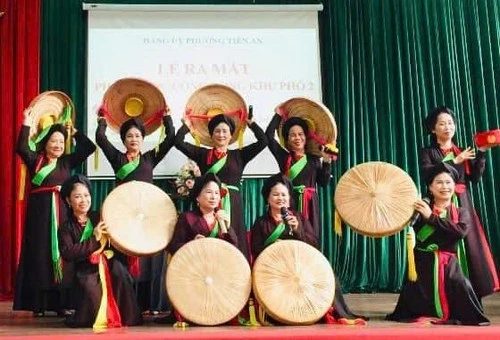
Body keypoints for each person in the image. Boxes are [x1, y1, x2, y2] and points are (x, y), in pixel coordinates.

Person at [251, 174, 366, 324]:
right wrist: (274, 247)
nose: (280, 198)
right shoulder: (261, 222)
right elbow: (256, 248)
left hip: (300, 265)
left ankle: (331, 311)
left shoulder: (298, 218)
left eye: (284, 195)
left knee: (329, 276)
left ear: (289, 197)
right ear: (268, 198)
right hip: (275, 268)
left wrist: (298, 230)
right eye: (275, 194)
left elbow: (314, 243)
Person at [14, 108, 96, 316]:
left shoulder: (66, 162)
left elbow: (88, 148)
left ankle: (62, 304)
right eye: (54, 141)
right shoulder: (36, 161)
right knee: (40, 255)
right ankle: (38, 305)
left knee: (61, 255)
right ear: (45, 143)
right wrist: (26, 122)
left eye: (61, 141)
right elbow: (22, 146)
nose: (58, 145)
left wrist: (74, 132)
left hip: (62, 214)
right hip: (39, 216)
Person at [387, 163, 490, 325]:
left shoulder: (461, 213)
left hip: (448, 264)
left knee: (462, 285)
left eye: (448, 182)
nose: (445, 186)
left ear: (454, 186)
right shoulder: (420, 209)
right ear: (430, 187)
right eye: (439, 182)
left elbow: (459, 232)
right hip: (422, 263)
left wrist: (431, 218)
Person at [96, 110, 175, 314]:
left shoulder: (150, 158)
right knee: (124, 257)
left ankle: (149, 305)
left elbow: (171, 138)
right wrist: (102, 120)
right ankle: (127, 303)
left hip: (147, 217)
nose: (134, 139)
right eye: (129, 136)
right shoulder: (117, 158)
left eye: (137, 135)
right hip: (123, 217)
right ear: (123, 139)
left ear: (143, 138)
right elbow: (100, 138)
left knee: (147, 260)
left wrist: (167, 118)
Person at [420, 106, 498, 298]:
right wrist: (455, 160)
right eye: (442, 123)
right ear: (433, 129)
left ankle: (470, 292)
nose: (447, 127)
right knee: (439, 243)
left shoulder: (462, 150)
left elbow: (475, 177)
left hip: (462, 202)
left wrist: (480, 152)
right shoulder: (427, 152)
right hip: (438, 202)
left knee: (469, 247)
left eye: (450, 123)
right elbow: (427, 174)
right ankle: (437, 294)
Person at [175, 113, 267, 261]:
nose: (221, 134)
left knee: (235, 237)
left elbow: (263, 141)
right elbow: (178, 142)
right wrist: (186, 126)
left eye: (225, 131)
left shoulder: (239, 155)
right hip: (209, 203)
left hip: (233, 203)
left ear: (231, 136)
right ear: (211, 135)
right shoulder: (203, 154)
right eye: (217, 131)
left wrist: (252, 124)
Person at [58, 174, 142, 328]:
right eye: (77, 196)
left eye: (86, 195)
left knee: (120, 273)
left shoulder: (100, 216)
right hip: (85, 267)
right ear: (69, 201)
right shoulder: (66, 228)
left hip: (108, 260)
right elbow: (68, 253)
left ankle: (128, 317)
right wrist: (95, 238)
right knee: (91, 286)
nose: (83, 200)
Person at [158, 173, 237, 325]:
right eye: (208, 192)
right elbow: (174, 246)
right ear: (197, 197)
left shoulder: (221, 218)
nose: (213, 196)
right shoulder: (187, 217)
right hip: (193, 269)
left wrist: (226, 227)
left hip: (217, 269)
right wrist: (191, 244)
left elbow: (233, 248)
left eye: (216, 193)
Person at [265, 108, 333, 240]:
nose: (297, 138)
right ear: (287, 139)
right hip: (290, 203)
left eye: (300, 134)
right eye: (293, 135)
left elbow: (324, 183)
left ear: (306, 137)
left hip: (310, 205)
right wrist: (278, 115)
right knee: (290, 235)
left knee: (310, 237)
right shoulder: (284, 157)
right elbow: (268, 136)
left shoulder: (314, 159)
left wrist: (326, 161)